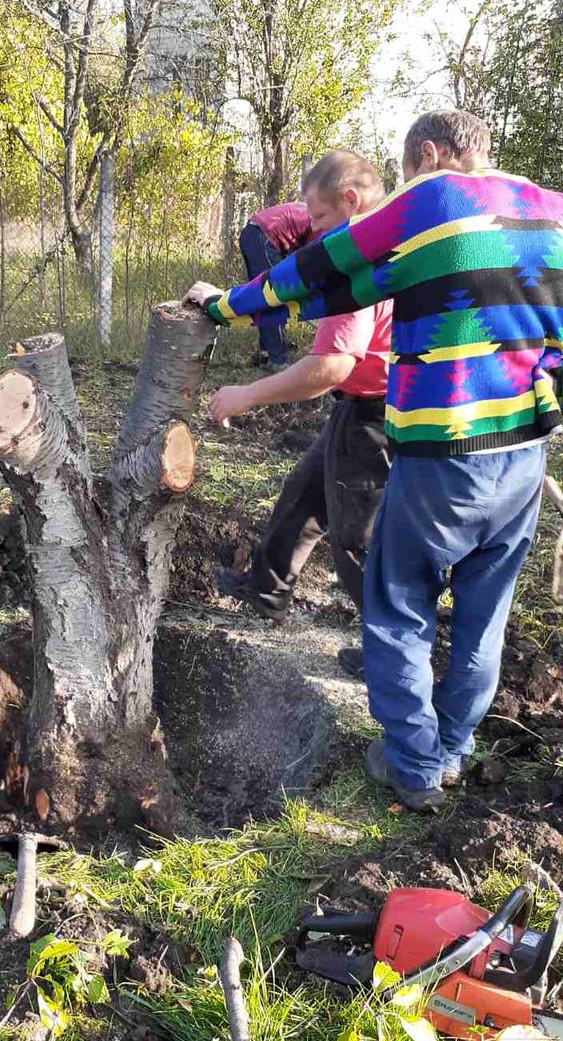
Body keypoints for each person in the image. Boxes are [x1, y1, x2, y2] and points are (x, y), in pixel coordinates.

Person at [185, 109, 563, 813]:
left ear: (428, 152)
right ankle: (451, 748)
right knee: (485, 617)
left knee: (397, 606)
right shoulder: (552, 213)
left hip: (443, 452)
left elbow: (324, 269)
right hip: (521, 455)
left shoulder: (433, 199)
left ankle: (414, 769)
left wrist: (225, 307)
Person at [216, 152, 390, 673]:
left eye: (316, 218)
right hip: (357, 406)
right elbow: (281, 295)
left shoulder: (358, 263)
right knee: (305, 493)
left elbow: (329, 367)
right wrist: (224, 301)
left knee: (355, 538)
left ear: (350, 202)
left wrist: (247, 394)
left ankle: (392, 653)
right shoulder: (373, 246)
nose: (311, 230)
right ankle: (266, 593)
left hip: (376, 416)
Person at [238, 200, 314, 369]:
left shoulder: (316, 210)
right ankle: (277, 359)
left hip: (253, 234)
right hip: (263, 236)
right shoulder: (324, 220)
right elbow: (311, 257)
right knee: (274, 296)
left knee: (262, 296)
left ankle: (267, 350)